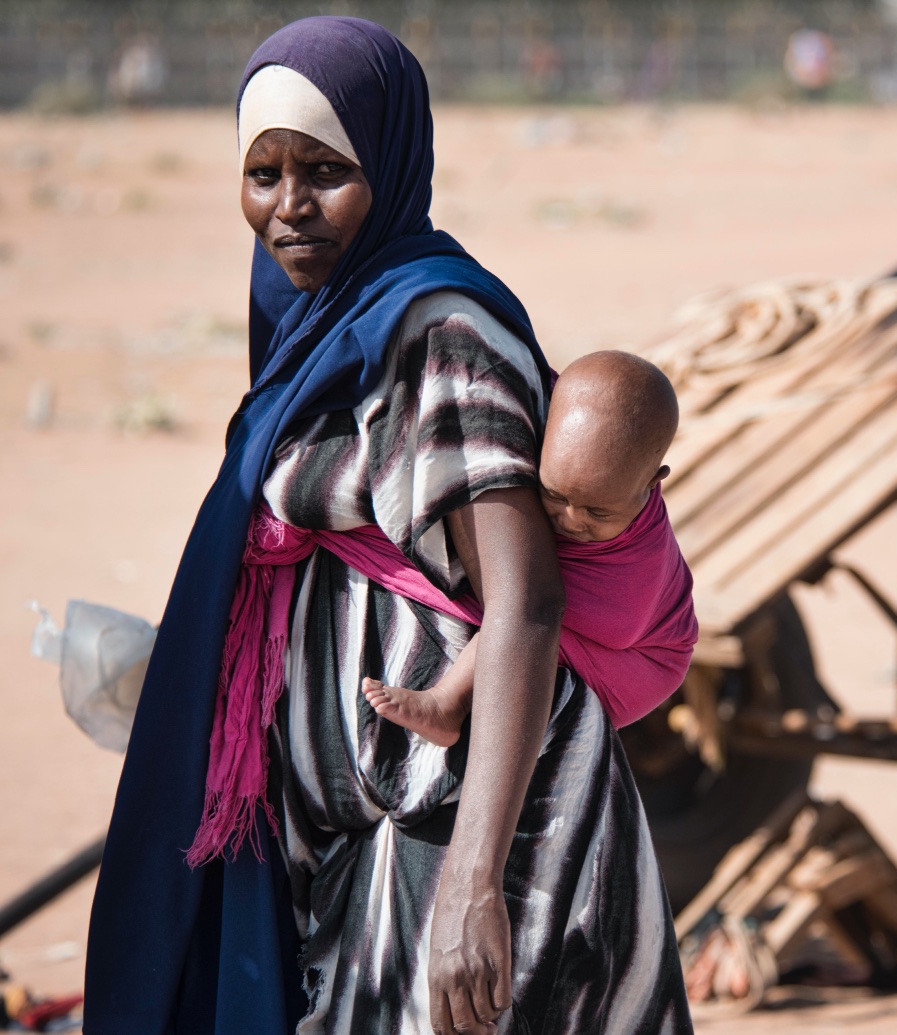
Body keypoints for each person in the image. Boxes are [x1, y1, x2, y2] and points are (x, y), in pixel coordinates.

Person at [84, 17, 694, 1035]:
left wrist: (470, 883)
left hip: (477, 831)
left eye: (326, 171)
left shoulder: (441, 332)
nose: (289, 207)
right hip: (362, 840)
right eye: (263, 172)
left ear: (394, 164)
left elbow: (529, 600)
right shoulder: (314, 324)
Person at [363, 350, 697, 746]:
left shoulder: (638, 562)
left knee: (525, 610)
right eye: (555, 495)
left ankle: (446, 704)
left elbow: (604, 622)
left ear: (652, 482)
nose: (571, 520)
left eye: (598, 512)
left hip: (634, 665)